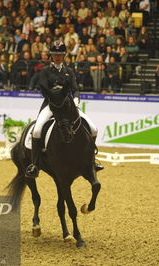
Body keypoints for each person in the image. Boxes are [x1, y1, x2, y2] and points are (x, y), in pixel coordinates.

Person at [26, 40, 103, 178]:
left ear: (64, 55)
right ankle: (35, 165)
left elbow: (76, 90)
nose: (57, 57)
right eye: (55, 54)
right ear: (51, 55)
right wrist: (54, 97)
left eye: (60, 54)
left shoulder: (69, 71)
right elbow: (43, 90)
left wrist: (76, 100)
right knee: (37, 130)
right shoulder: (45, 71)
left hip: (68, 106)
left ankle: (91, 161)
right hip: (51, 105)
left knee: (93, 128)